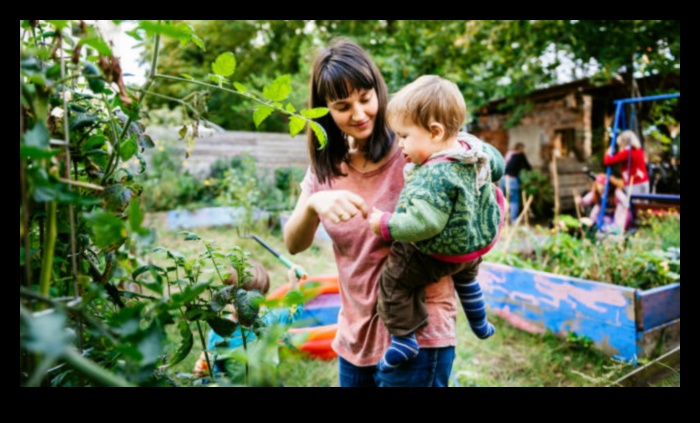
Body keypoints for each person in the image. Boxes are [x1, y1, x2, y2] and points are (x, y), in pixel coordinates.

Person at [283, 38, 458, 387]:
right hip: (354, 337)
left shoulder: (414, 151)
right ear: (325, 110)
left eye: (365, 98)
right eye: (343, 106)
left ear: (379, 91)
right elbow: (293, 244)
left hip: (417, 335)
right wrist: (314, 204)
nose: (359, 114)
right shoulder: (326, 168)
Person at [366, 75, 505, 371]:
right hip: (472, 250)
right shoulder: (472, 149)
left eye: (404, 136)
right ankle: (480, 322)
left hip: (438, 254)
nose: (399, 144)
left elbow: (423, 223)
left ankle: (404, 340)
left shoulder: (432, 174)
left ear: (435, 131)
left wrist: (385, 223)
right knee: (467, 280)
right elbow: (499, 166)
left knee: (394, 283)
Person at [193, 261, 303, 382]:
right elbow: (214, 370)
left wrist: (293, 285)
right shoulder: (219, 334)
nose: (249, 304)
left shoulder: (269, 319)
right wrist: (204, 373)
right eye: (241, 297)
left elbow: (292, 313)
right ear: (228, 297)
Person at [603, 130, 650, 196]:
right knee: (643, 203)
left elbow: (607, 161)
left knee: (633, 203)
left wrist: (608, 153)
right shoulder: (639, 150)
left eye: (620, 145)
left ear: (624, 143)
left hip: (634, 183)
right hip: (644, 181)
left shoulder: (627, 152)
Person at [500, 142, 531, 224]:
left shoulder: (509, 153)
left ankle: (502, 221)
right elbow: (528, 167)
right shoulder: (521, 156)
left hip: (502, 179)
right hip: (512, 179)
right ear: (521, 149)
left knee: (502, 199)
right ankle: (513, 221)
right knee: (514, 200)